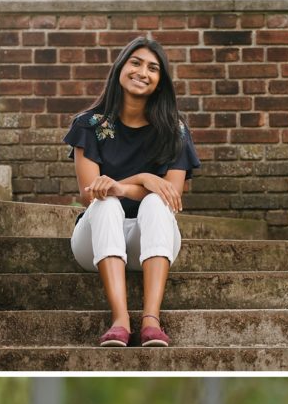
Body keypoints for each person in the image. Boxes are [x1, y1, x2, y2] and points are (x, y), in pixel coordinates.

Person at [65, 36, 200, 348]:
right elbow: (90, 195)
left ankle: (151, 320)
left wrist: (123, 185)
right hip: (94, 239)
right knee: (106, 203)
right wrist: (144, 177)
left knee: (155, 203)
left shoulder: (174, 130)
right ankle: (120, 320)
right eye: (136, 63)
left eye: (153, 68)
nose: (143, 72)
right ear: (120, 68)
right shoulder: (89, 125)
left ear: (160, 82)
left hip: (152, 239)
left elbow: (171, 196)